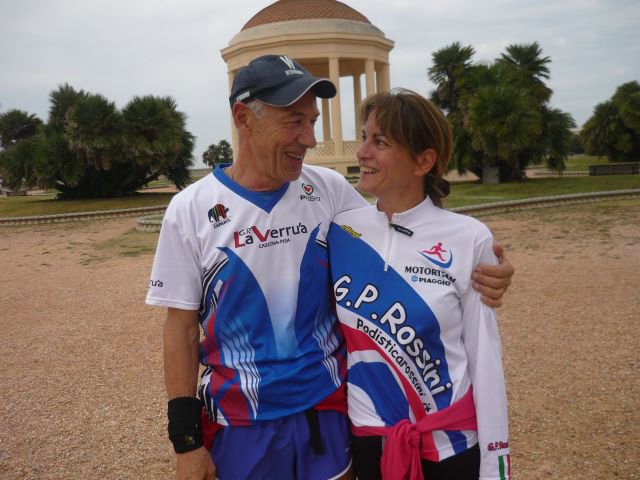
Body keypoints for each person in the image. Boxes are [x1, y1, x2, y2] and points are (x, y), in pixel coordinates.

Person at [146, 55, 514, 480]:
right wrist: (186, 442)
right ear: (244, 118)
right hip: (239, 422)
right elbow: (180, 327)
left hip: (326, 415)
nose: (309, 139)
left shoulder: (329, 190)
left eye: (313, 121)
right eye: (294, 122)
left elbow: (401, 225)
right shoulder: (190, 210)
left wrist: (479, 265)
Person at [324, 88, 511, 480]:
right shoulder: (340, 230)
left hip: (450, 446)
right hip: (369, 443)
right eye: (364, 137)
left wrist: (496, 467)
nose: (362, 153)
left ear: (424, 161)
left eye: (380, 142)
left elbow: (484, 357)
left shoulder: (470, 237)